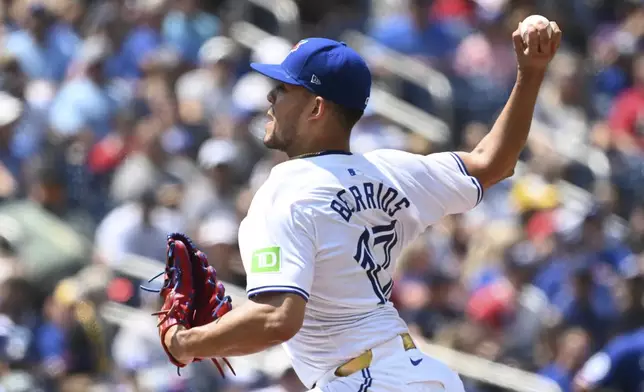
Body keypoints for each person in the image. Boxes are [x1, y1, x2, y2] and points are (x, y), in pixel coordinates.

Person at [160, 19, 562, 392]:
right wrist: (532, 72)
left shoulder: (285, 193)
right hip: (420, 375)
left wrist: (184, 343)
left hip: (362, 381)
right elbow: (495, 161)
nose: (270, 98)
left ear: (316, 108)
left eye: (282, 89)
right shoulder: (391, 170)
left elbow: (276, 319)